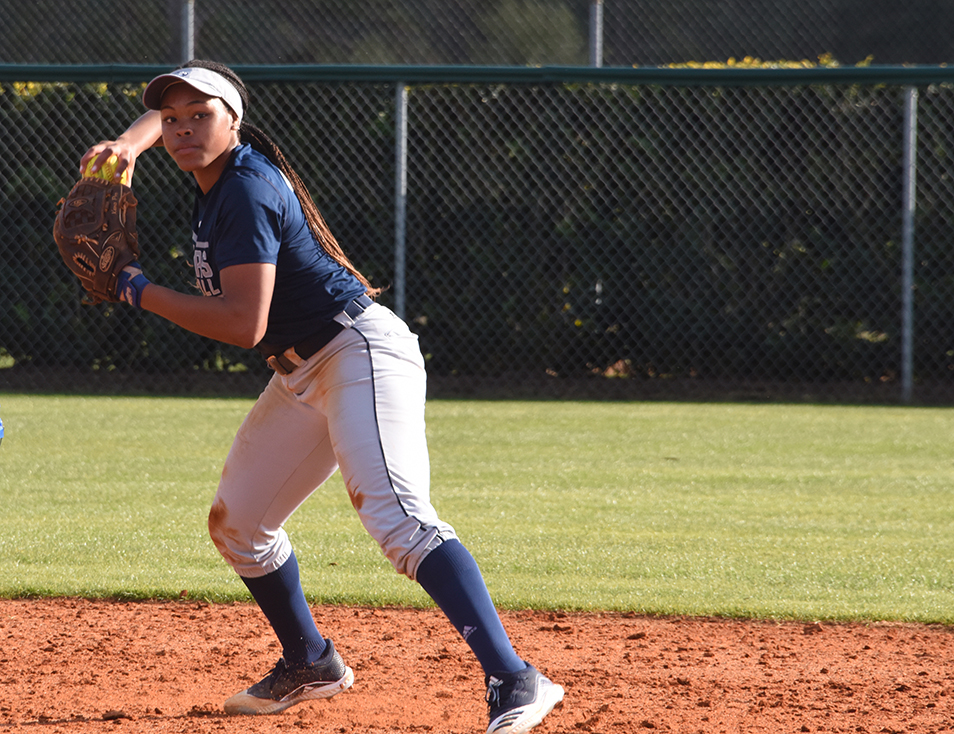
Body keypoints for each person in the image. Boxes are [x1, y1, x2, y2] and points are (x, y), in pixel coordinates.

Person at [80, 60, 564, 733]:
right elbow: (160, 124)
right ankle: (311, 663)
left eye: (202, 115)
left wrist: (137, 289)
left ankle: (516, 677)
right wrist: (129, 144)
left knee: (399, 522)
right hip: (301, 371)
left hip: (356, 354)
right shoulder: (212, 170)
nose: (185, 129)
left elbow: (243, 325)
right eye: (174, 119)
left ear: (234, 122)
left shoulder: (245, 189)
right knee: (240, 526)